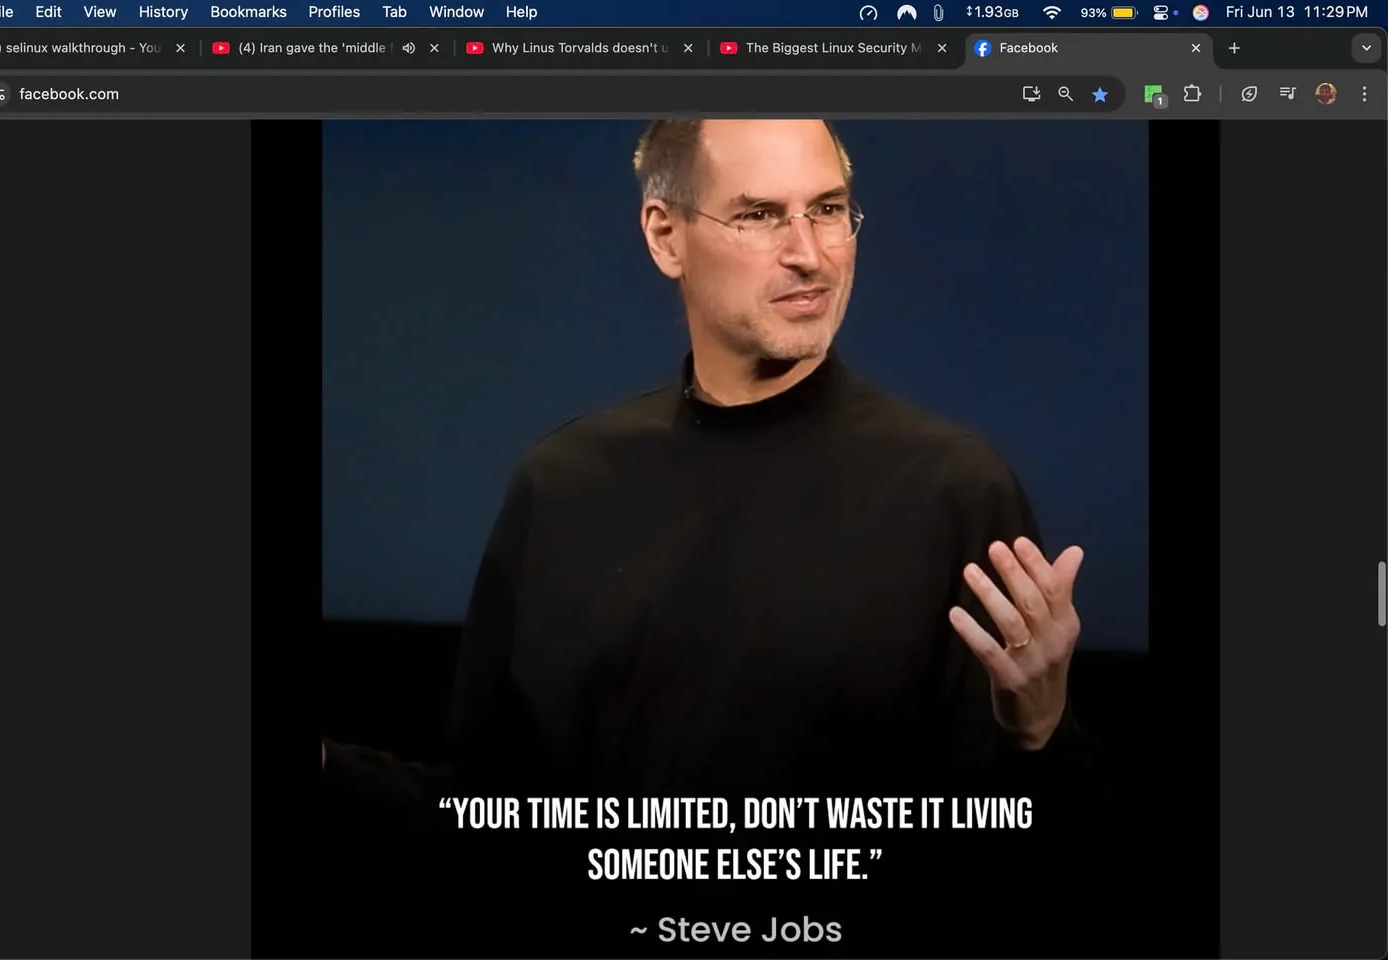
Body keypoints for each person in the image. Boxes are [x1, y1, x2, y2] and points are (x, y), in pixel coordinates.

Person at [317, 119, 1113, 956]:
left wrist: (1042, 735)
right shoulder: (564, 486)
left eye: (830, 209)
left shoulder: (955, 489)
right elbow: (489, 824)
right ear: (667, 236)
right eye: (761, 215)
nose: (811, 254)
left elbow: (1036, 879)